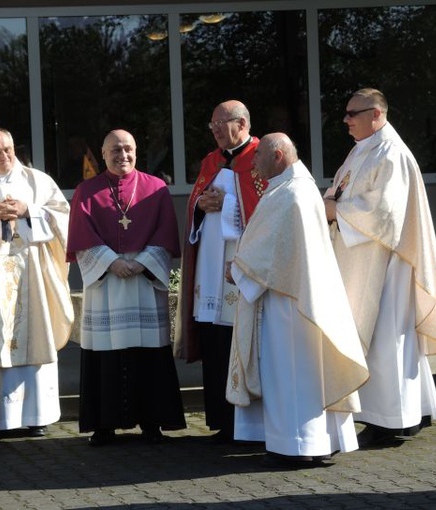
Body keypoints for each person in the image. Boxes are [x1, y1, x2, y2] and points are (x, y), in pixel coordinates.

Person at [324, 88, 436, 446]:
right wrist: (328, 201)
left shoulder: (391, 153)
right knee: (388, 340)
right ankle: (411, 410)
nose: (346, 120)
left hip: (387, 262)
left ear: (377, 114)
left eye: (353, 113)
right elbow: (340, 190)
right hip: (364, 256)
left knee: (388, 338)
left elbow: (384, 213)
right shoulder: (361, 150)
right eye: (346, 113)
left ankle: (393, 421)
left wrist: (336, 211)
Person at [227, 133, 368, 468]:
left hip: (290, 303)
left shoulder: (292, 192)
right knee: (300, 373)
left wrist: (239, 269)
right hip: (295, 296)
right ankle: (311, 442)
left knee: (291, 372)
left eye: (259, 155)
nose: (254, 161)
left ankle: (299, 444)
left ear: (278, 156)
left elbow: (273, 251)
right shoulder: (291, 186)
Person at [0, 127, 73, 437]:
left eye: (8, 149)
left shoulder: (37, 181)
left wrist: (29, 211)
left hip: (32, 276)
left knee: (34, 332)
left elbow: (64, 217)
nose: (5, 156)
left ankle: (37, 416)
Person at [67, 129, 186, 446]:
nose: (123, 155)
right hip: (107, 280)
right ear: (103, 154)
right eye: (115, 150)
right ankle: (103, 425)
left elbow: (165, 232)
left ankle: (152, 422)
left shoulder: (156, 188)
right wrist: (111, 262)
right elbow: (81, 234)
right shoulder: (86, 190)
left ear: (136, 150)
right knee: (105, 354)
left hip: (142, 280)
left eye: (128, 149)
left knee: (148, 352)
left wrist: (143, 262)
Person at [174, 100, 265, 443]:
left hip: (240, 267)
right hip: (210, 266)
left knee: (238, 341)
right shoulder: (210, 161)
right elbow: (195, 201)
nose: (213, 129)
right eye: (210, 123)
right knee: (215, 341)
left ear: (241, 123)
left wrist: (224, 203)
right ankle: (221, 421)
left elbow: (264, 208)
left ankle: (245, 423)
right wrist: (200, 206)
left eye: (219, 123)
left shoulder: (261, 158)